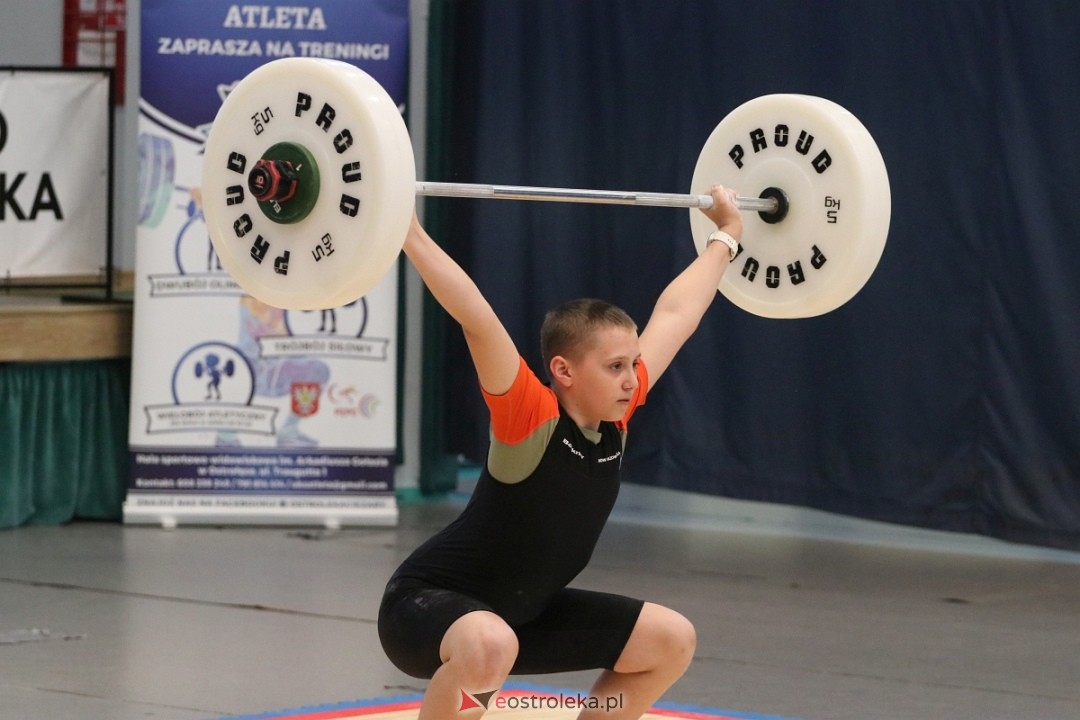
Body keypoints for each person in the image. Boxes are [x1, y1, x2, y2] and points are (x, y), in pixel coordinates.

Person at [378, 185, 743, 719]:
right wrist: (408, 231)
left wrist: (726, 236)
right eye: (615, 367)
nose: (631, 378)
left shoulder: (616, 418)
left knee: (671, 639)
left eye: (632, 364)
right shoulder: (530, 415)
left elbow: (676, 314)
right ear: (564, 371)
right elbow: (476, 318)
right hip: (424, 610)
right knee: (490, 643)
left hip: (522, 616)